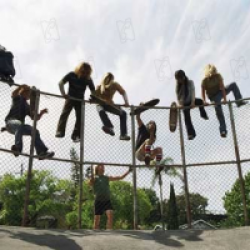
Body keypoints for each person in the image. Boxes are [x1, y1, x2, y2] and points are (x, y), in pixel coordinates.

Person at [5, 85, 54, 159]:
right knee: (19, 125)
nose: (29, 96)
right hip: (10, 123)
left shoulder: (27, 106)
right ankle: (18, 148)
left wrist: (41, 113)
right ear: (24, 92)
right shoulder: (18, 98)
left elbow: (34, 118)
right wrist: (21, 87)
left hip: (20, 127)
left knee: (35, 131)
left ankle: (41, 152)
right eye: (29, 94)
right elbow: (13, 94)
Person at [201, 64, 247, 138]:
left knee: (233, 85)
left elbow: (222, 87)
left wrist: (225, 99)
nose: (214, 75)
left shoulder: (218, 75)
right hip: (213, 97)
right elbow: (203, 92)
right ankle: (223, 130)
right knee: (218, 110)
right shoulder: (204, 81)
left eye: (214, 73)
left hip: (220, 92)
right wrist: (204, 101)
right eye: (212, 74)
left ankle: (239, 102)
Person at [56, 62, 95, 142]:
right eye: (83, 72)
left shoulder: (88, 79)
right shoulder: (72, 74)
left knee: (80, 118)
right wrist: (63, 94)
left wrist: (93, 99)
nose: (84, 74)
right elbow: (60, 83)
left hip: (80, 100)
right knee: (65, 113)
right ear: (79, 70)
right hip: (70, 97)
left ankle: (76, 135)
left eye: (86, 73)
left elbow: (94, 92)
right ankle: (60, 131)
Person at [89, 164, 131, 230]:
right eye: (101, 166)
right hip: (98, 200)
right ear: (97, 168)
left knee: (110, 215)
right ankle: (95, 233)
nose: (103, 167)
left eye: (103, 166)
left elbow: (120, 177)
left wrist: (129, 171)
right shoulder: (95, 178)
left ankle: (109, 231)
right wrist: (91, 174)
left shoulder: (106, 178)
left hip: (106, 200)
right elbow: (90, 183)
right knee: (97, 220)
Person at [94, 72, 130, 140]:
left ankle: (123, 134)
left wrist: (126, 102)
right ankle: (109, 126)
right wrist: (92, 99)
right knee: (99, 107)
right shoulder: (99, 87)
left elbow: (123, 92)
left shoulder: (115, 84)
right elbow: (93, 96)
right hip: (101, 104)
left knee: (123, 113)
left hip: (110, 105)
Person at [175, 70, 208, 140]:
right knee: (187, 118)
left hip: (191, 100)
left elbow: (193, 92)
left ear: (183, 77)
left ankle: (203, 115)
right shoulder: (178, 87)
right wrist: (180, 104)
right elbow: (178, 97)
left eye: (180, 78)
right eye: (178, 79)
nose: (180, 80)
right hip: (184, 103)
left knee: (200, 101)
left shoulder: (190, 82)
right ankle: (191, 134)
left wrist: (193, 102)